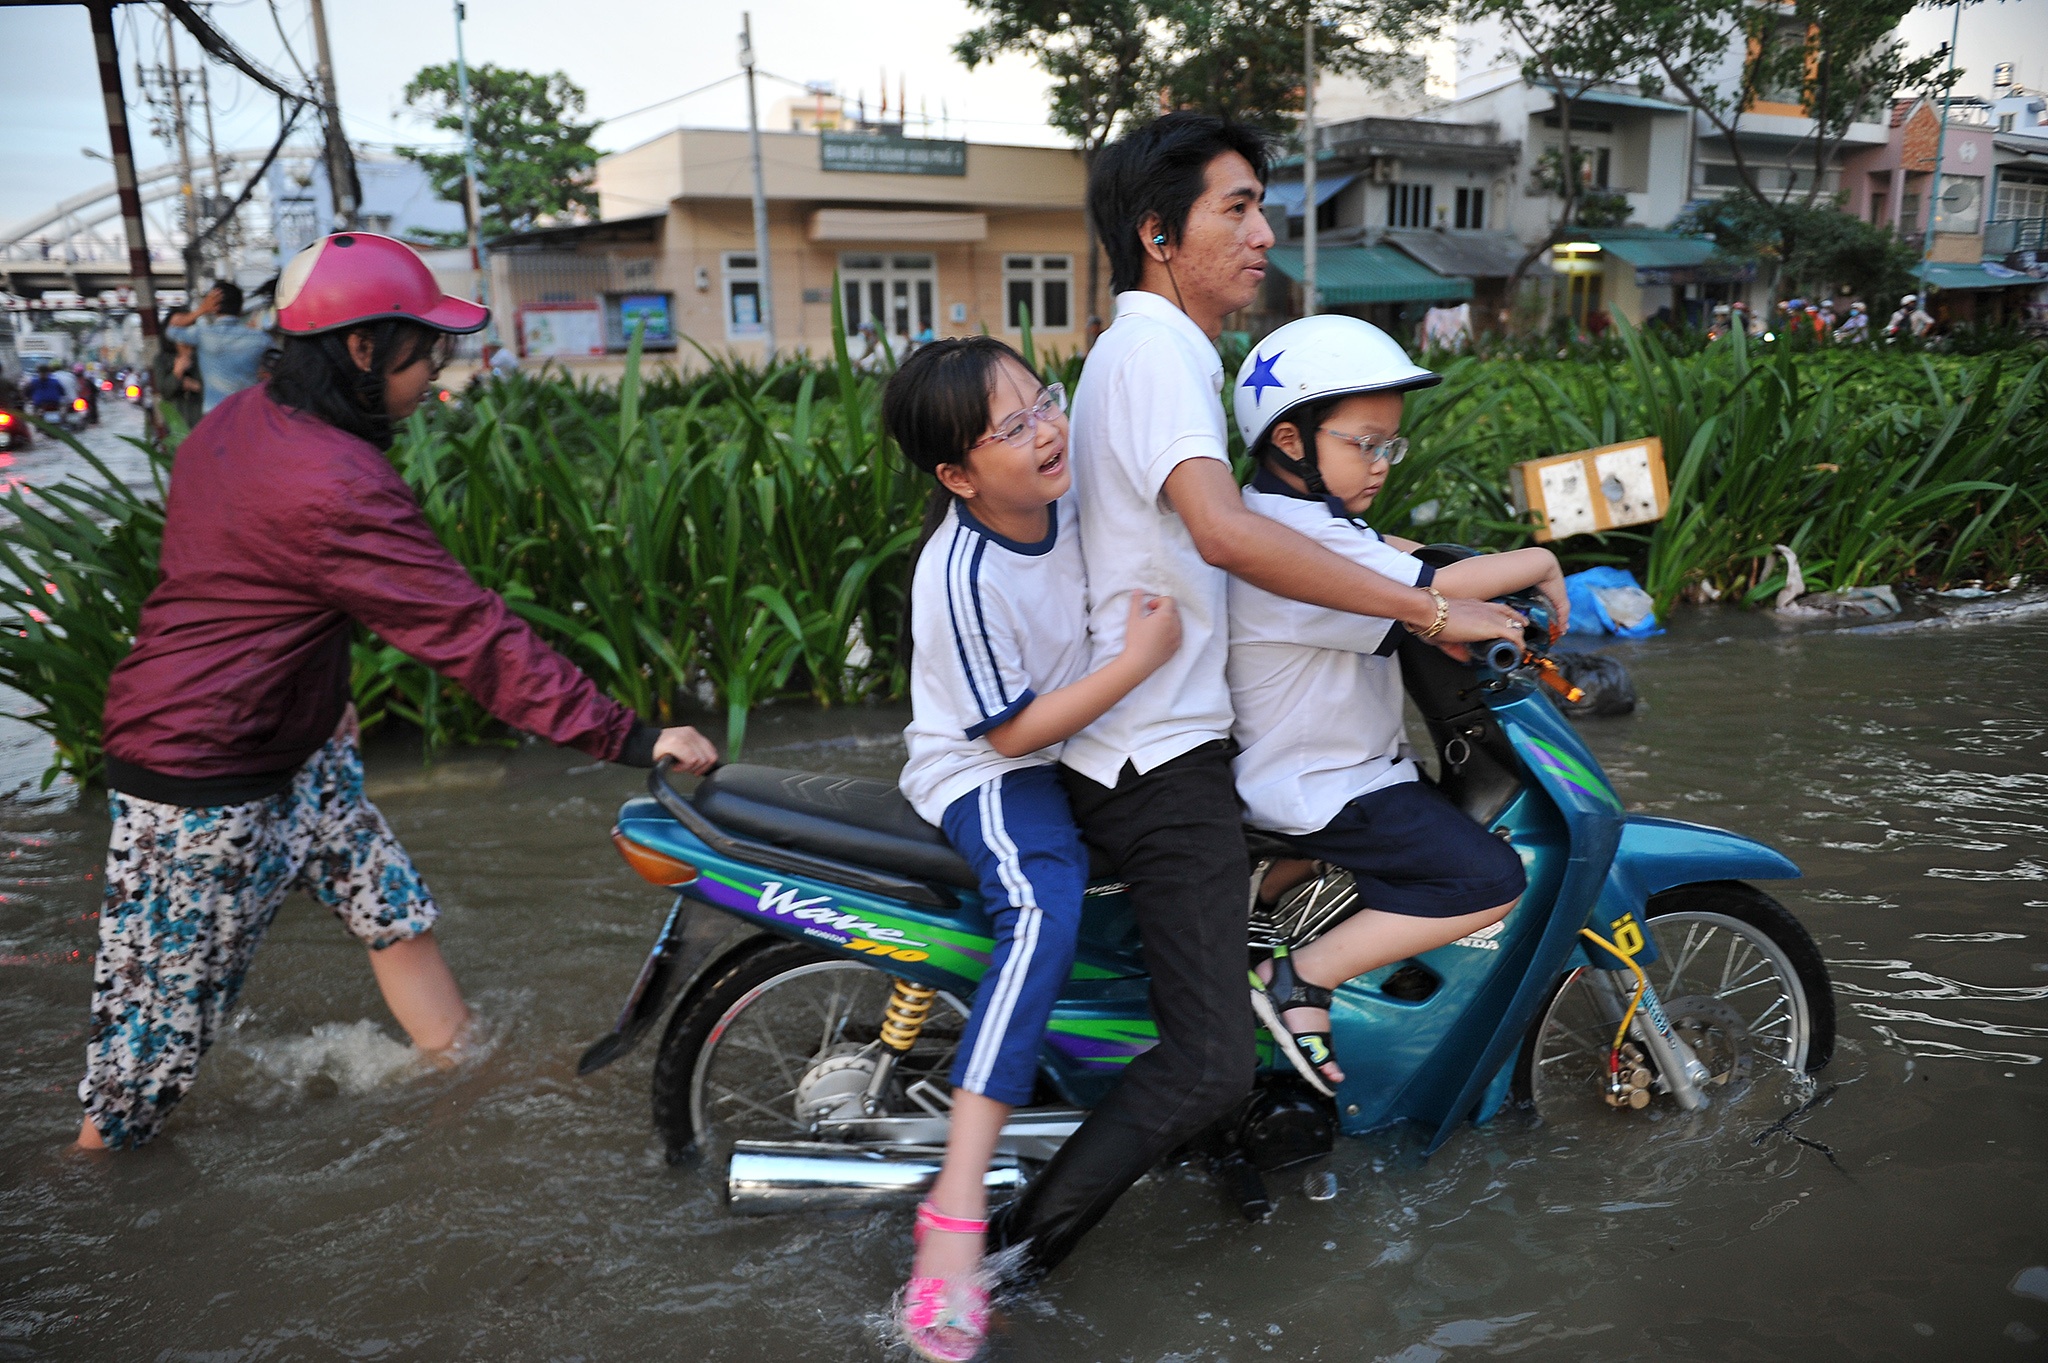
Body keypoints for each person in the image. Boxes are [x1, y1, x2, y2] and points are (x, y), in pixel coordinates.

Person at [982, 111, 1526, 1281]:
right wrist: (1428, 608)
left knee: (1256, 971)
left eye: (1258, 205)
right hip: (1154, 752)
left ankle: (1254, 1114)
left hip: (1165, 732)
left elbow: (1273, 538)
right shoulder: (1158, 352)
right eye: (1234, 208)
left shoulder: (1158, 353)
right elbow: (1227, 534)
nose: (1262, 231)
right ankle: (996, 1267)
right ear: (1157, 234)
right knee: (1206, 1061)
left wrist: (1418, 576)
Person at [76, 231, 719, 1152]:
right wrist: (627, 735)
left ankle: (459, 1067)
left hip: (294, 746)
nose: (436, 374)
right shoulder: (333, 481)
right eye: (428, 351)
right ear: (364, 349)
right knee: (144, 1062)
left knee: (392, 905)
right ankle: (87, 1197)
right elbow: (469, 634)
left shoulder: (238, 423)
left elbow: (242, 593)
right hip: (204, 775)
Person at [886, 336, 1183, 1362]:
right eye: (1009, 427)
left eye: (1042, 401)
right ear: (957, 475)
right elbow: (1006, 733)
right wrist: (1143, 662)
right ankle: (954, 1213)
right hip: (988, 772)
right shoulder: (958, 573)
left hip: (1077, 744)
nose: (1046, 429)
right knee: (1043, 905)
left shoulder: (1073, 496)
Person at [1224, 314, 1565, 1092]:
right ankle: (1302, 978)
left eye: (1390, 446)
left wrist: (1471, 572)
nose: (1380, 463)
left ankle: (1273, 900)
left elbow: (1396, 556)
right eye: (1363, 443)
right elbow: (1424, 590)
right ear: (1289, 440)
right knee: (1487, 877)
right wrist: (1540, 558)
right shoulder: (1292, 538)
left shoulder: (1288, 517)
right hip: (1322, 785)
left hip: (1332, 769)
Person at [164, 280, 274, 413]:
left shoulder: (202, 335)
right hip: (249, 413)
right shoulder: (261, 339)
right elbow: (278, 365)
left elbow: (172, 329)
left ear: (213, 307)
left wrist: (201, 310)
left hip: (214, 415)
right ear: (240, 308)